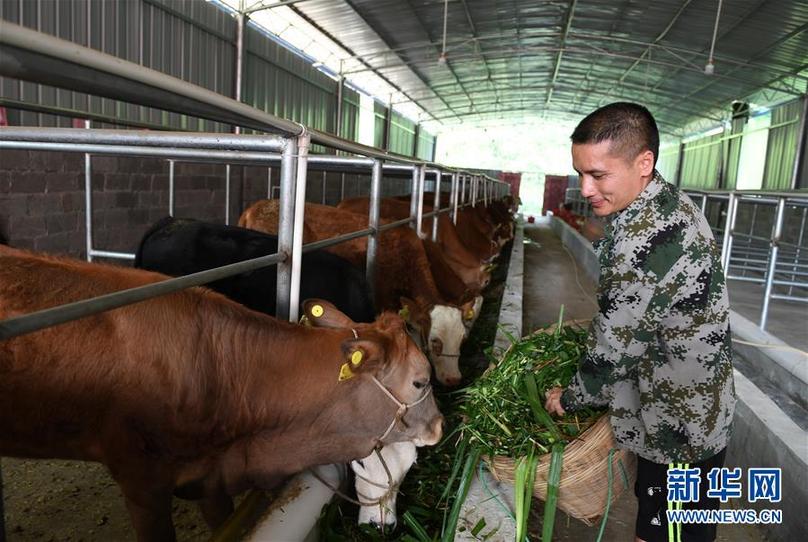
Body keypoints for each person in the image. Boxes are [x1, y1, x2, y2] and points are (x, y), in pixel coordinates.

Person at [544, 102, 736, 542]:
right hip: (691, 408)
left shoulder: (645, 237)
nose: (586, 188)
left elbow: (615, 341)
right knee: (670, 526)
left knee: (668, 531)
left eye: (599, 174)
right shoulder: (665, 203)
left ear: (643, 163)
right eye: (580, 173)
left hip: (677, 421)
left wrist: (569, 399)